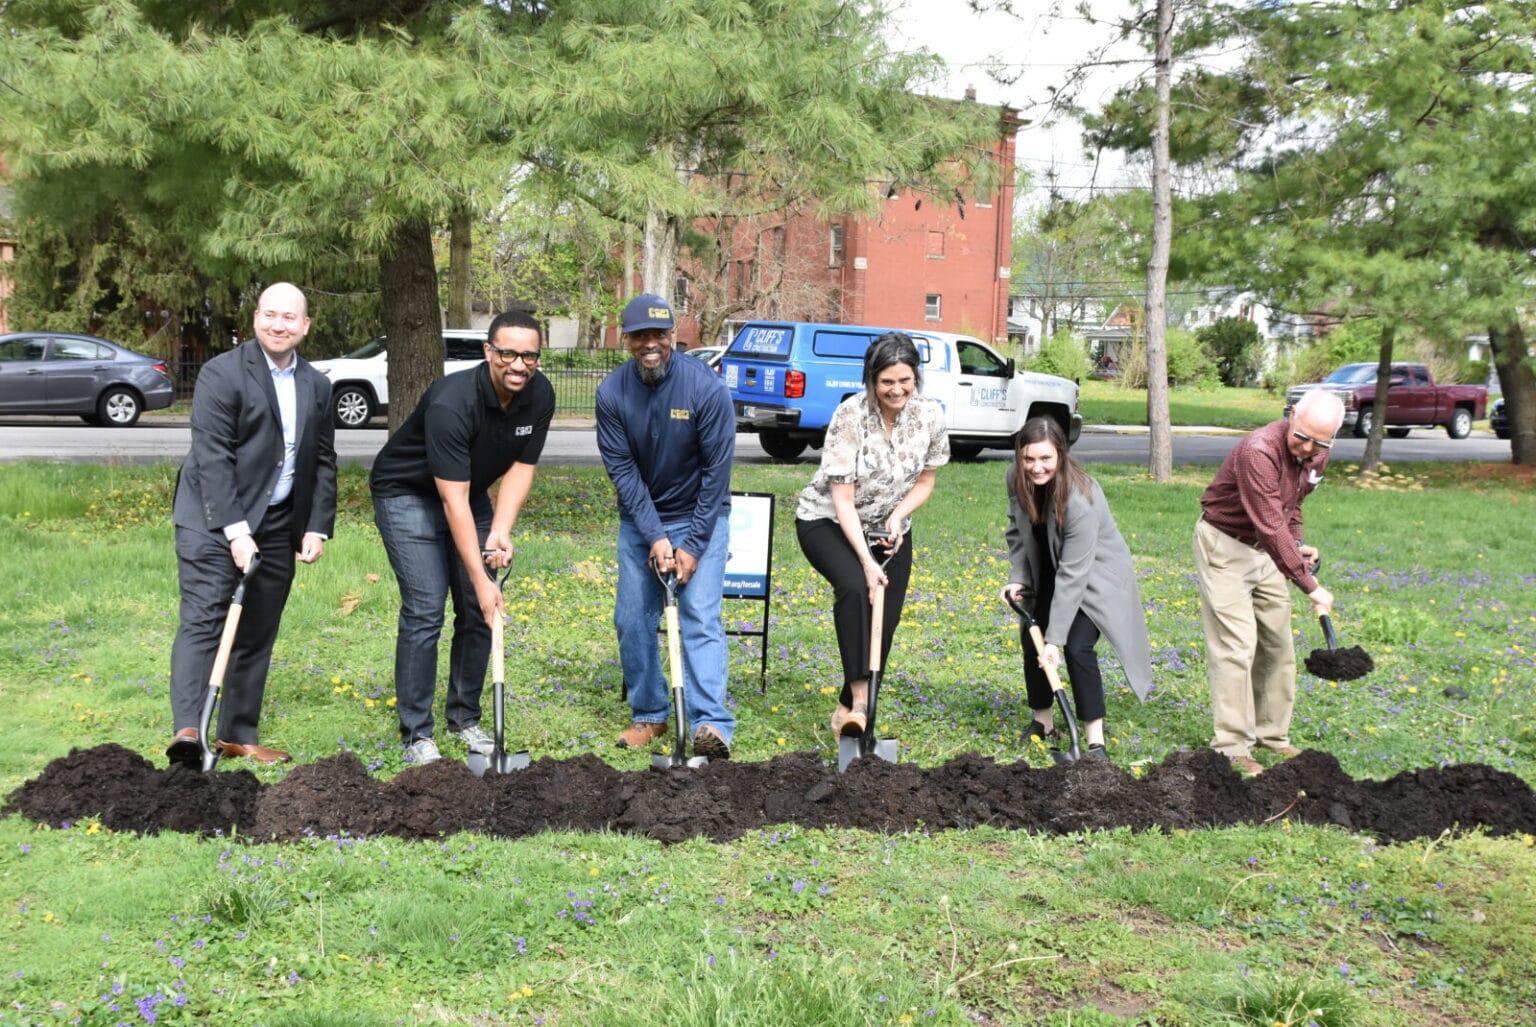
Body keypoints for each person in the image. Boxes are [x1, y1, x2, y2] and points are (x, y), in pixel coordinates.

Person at [370, 311, 556, 765]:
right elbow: (450, 503)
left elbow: (520, 467)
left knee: (477, 610)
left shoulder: (540, 395)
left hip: (468, 492)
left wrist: (501, 530)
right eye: (508, 353)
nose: (518, 364)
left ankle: (465, 718)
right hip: (409, 494)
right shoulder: (453, 402)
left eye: (529, 355)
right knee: (426, 607)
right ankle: (417, 734)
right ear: (488, 352)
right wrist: (480, 578)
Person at [166, 282, 337, 767]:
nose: (278, 325)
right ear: (256, 318)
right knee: (204, 620)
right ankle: (188, 732)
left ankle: (236, 733)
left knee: (258, 627)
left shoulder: (317, 385)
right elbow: (213, 459)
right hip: (210, 517)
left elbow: (322, 459)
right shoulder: (222, 374)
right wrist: (237, 532)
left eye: (289, 318)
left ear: (304, 326)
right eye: (269, 315)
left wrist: (315, 525)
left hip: (280, 521)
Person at [596, 293, 736, 759]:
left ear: (673, 336)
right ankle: (651, 714)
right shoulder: (611, 393)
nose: (649, 344)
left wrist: (692, 544)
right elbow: (624, 473)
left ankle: (711, 724)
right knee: (632, 618)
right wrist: (655, 536)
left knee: (699, 617)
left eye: (658, 334)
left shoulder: (706, 388)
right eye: (639, 336)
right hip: (641, 519)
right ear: (626, 340)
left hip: (701, 515)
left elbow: (718, 473)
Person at [795, 332, 948, 737]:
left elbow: (926, 483)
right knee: (854, 589)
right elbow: (842, 499)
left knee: (888, 617)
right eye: (886, 382)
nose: (896, 390)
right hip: (827, 519)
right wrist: (865, 561)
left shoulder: (930, 416)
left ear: (916, 377)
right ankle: (862, 705)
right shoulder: (850, 415)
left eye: (905, 380)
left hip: (889, 526)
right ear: (871, 379)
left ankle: (847, 709)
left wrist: (898, 517)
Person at [1194, 389, 1344, 775]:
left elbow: (1291, 508)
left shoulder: (1316, 454)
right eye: (1302, 436)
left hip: (1268, 550)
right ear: (1292, 415)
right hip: (1225, 545)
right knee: (1236, 645)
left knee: (1278, 644)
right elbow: (1270, 522)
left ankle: (1273, 736)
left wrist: (1298, 546)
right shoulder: (1258, 451)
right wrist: (1311, 585)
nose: (1308, 447)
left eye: (1319, 442)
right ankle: (1231, 747)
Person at [1000, 416, 1153, 759]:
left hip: (1094, 577)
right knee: (1031, 639)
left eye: (1045, 459)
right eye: (1029, 459)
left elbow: (1074, 573)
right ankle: (1044, 721)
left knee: (1077, 646)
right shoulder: (1016, 479)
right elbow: (1017, 532)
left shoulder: (1081, 499)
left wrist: (1056, 640)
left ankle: (1094, 741)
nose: (1036, 467)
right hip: (1047, 570)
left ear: (1061, 455)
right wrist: (1019, 576)